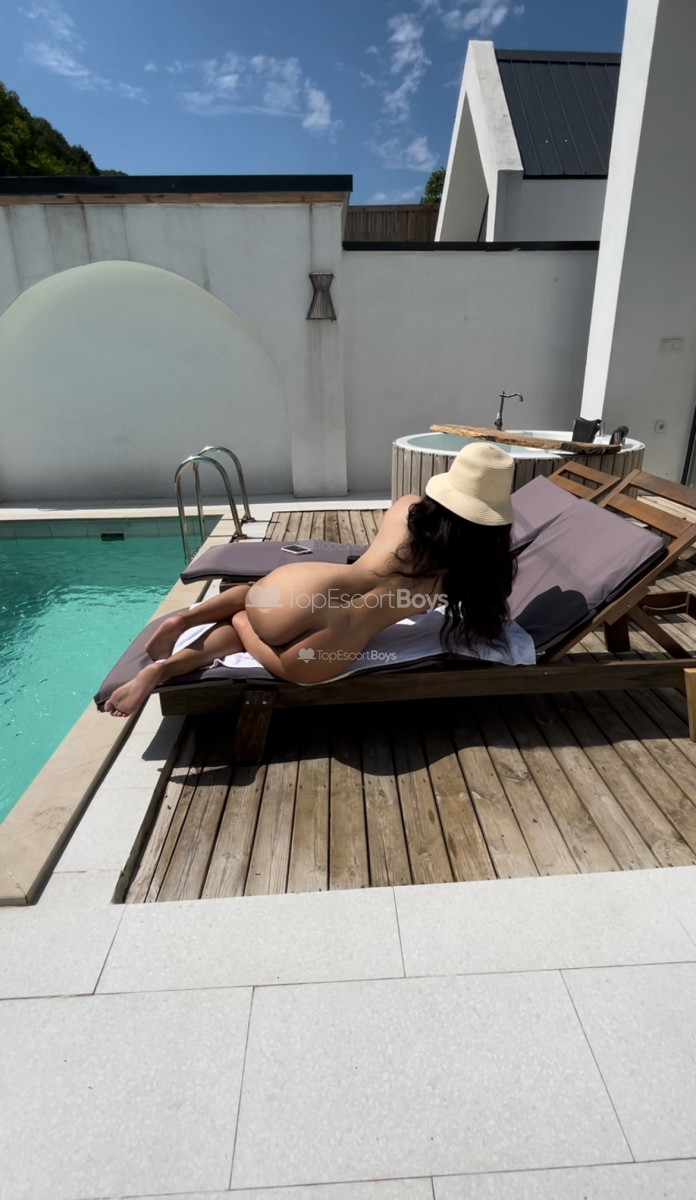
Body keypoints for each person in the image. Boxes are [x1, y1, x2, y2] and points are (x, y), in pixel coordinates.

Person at [104, 441, 517, 715]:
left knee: (253, 598)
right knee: (285, 659)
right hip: (336, 639)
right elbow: (486, 620)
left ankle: (186, 622)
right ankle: (196, 651)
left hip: (298, 587)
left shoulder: (408, 508)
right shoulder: (474, 573)